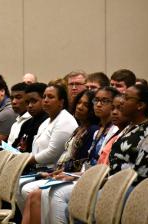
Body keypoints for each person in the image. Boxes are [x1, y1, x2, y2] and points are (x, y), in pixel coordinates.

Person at [20, 90, 100, 224]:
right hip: (60, 171)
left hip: (72, 175)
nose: (80, 107)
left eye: (85, 105)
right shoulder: (79, 128)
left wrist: (60, 172)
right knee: (26, 188)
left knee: (32, 191)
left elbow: (80, 161)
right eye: (79, 102)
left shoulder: (92, 130)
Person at [12, 82, 49, 153]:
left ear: (44, 100)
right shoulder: (26, 124)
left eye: (34, 101)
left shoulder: (48, 122)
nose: (29, 105)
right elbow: (14, 146)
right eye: (27, 102)